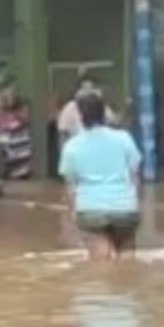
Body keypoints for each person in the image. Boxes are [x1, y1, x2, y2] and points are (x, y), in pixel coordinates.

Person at [58, 93, 144, 261]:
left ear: (81, 116)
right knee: (127, 258)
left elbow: (70, 186)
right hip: (125, 209)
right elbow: (136, 177)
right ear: (104, 114)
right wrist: (133, 203)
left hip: (91, 210)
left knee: (100, 259)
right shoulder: (124, 138)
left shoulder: (72, 147)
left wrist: (74, 212)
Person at [0, 87, 35, 181]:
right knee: (3, 143)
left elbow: (26, 120)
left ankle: (21, 169)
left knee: (22, 145)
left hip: (19, 136)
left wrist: (17, 117)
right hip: (7, 137)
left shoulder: (21, 109)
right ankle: (9, 170)